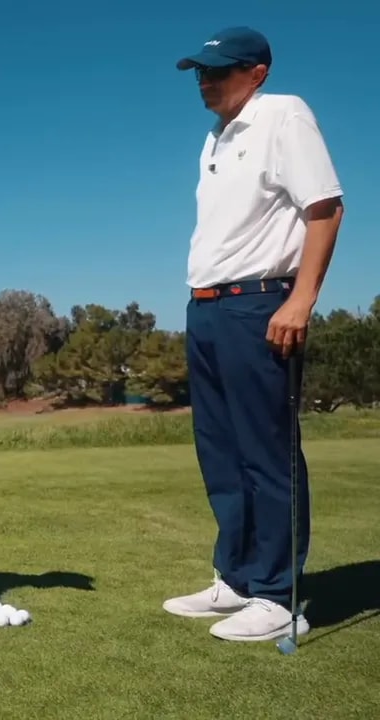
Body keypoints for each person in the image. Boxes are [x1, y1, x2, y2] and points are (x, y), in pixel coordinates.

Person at [163, 27, 345, 642]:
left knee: (267, 451)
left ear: (257, 72)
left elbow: (326, 208)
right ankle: (238, 579)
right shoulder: (215, 137)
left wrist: (302, 299)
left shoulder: (283, 115)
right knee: (220, 451)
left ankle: (277, 595)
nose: (205, 81)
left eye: (218, 71)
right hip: (206, 307)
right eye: (200, 72)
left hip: (261, 303)